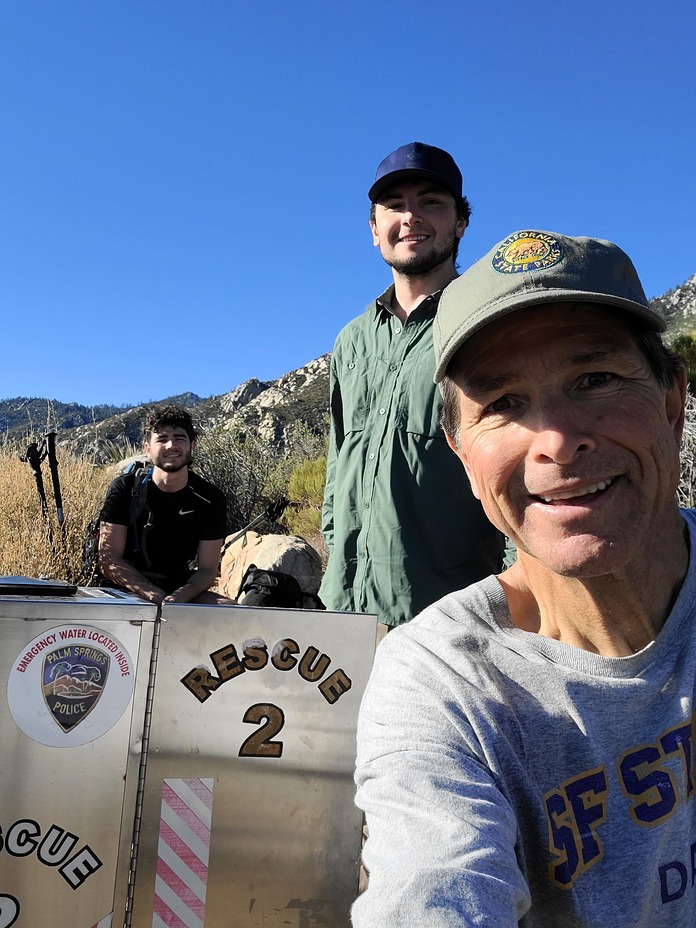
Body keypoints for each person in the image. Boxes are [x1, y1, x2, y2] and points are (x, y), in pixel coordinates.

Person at [353, 229, 695, 926]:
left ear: (671, 401)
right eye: (503, 402)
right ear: (461, 454)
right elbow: (432, 892)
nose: (558, 439)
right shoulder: (439, 681)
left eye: (595, 379)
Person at [320, 142, 504, 630]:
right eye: (395, 205)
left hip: (447, 617)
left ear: (460, 222)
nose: (411, 217)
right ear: (373, 229)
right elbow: (339, 462)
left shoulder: (484, 326)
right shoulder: (351, 341)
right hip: (343, 610)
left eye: (431, 202)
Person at [98, 404, 229, 605]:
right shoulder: (124, 489)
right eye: (162, 439)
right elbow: (109, 560)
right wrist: (151, 593)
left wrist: (179, 598)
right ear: (148, 449)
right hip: (125, 586)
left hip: (177, 588)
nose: (171, 446)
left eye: (179, 438)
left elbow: (207, 570)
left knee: (229, 610)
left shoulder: (210, 498)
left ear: (193, 445)